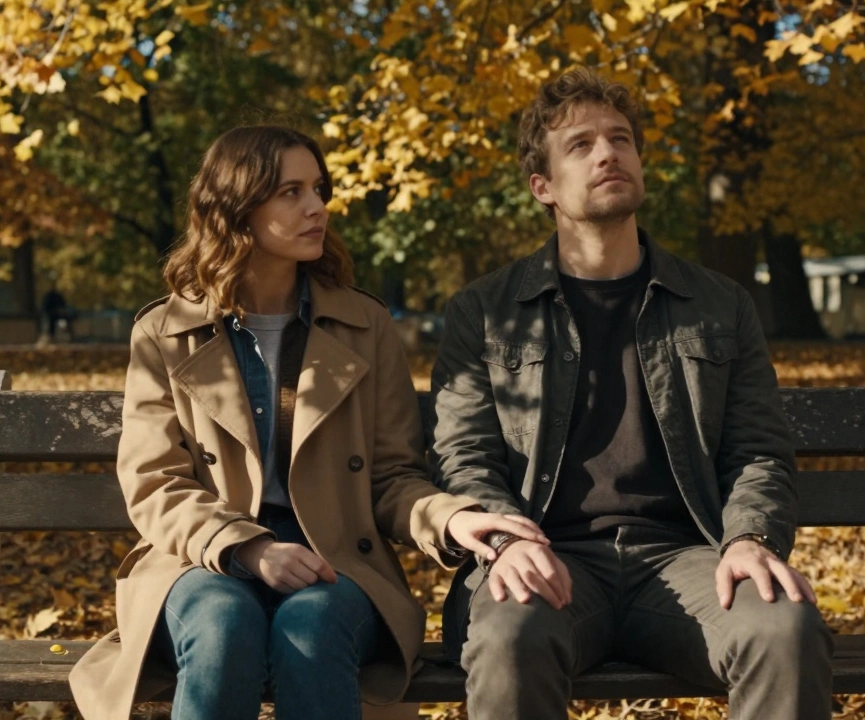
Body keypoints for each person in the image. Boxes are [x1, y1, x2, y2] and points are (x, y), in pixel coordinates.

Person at [68, 125, 545, 720]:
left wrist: (453, 516)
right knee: (222, 623)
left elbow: (394, 476)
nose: (316, 206)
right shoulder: (163, 333)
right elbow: (155, 483)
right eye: (290, 192)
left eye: (317, 188)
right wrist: (252, 549)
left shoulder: (365, 325)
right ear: (236, 206)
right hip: (202, 561)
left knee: (312, 624)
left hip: (338, 562)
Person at [430, 68, 834, 720]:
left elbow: (758, 450)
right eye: (581, 145)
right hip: (546, 556)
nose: (608, 153)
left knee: (784, 630)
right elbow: (462, 452)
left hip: (686, 558)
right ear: (543, 187)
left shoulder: (719, 304)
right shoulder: (485, 311)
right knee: (508, 638)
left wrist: (750, 538)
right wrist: (510, 543)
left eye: (620, 138)